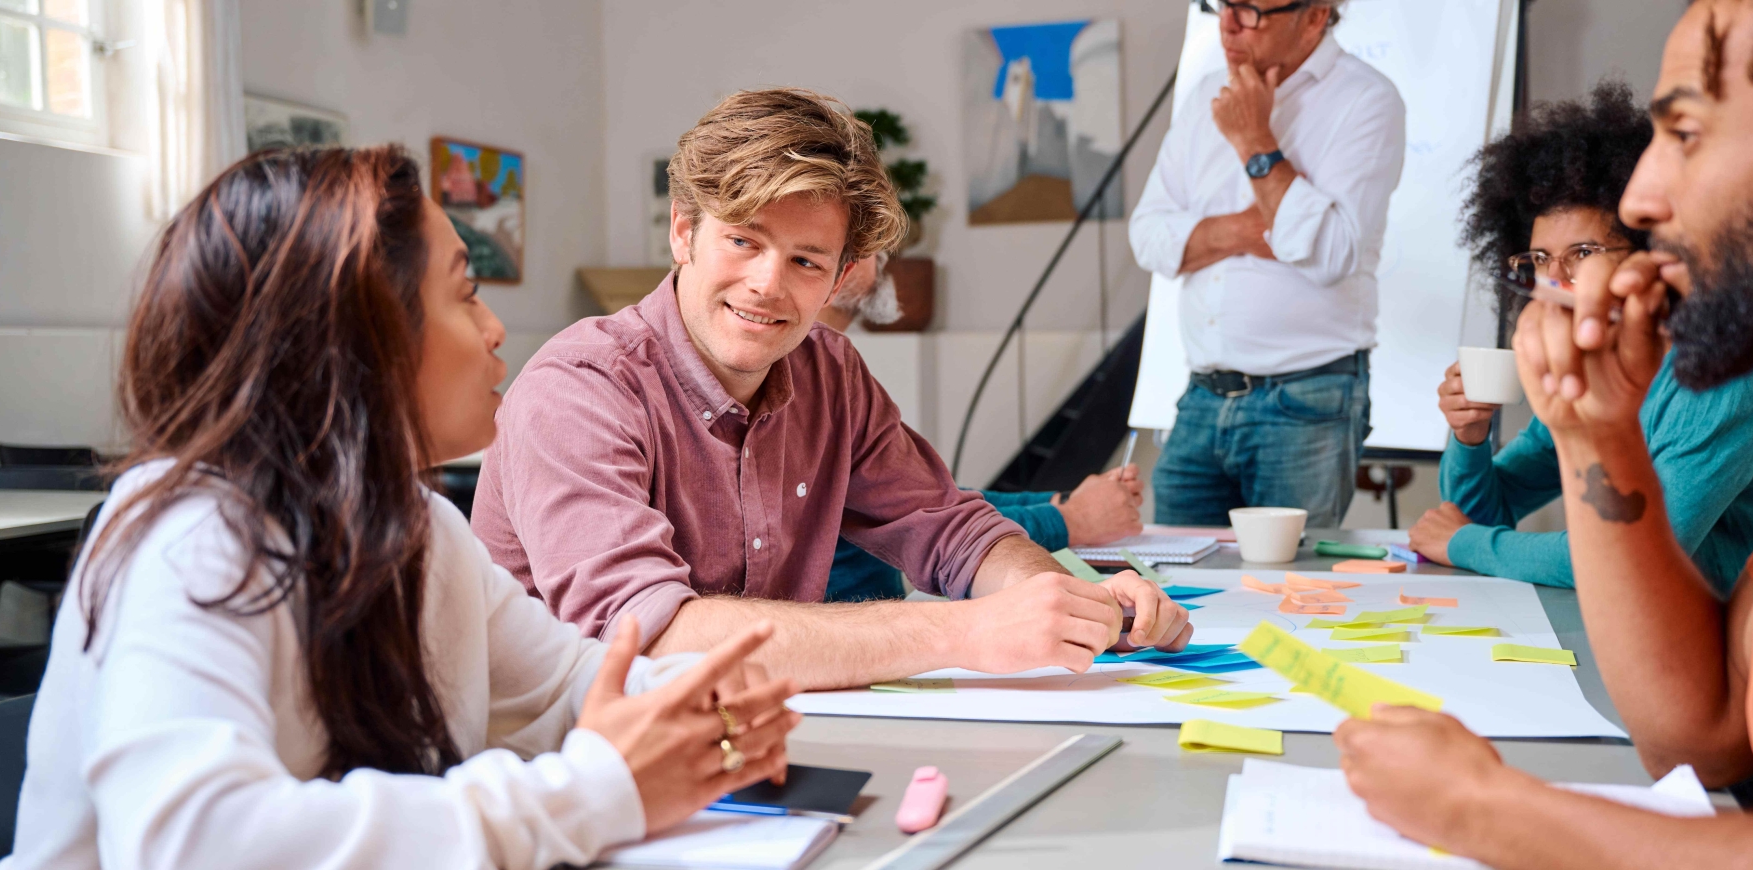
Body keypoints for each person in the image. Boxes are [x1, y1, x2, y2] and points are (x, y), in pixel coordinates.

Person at [0, 146, 801, 869]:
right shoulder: (195, 531)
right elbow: (195, 842)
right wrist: (590, 793)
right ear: (358, 332)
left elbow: (565, 685)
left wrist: (704, 704)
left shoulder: (419, 528)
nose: (494, 331)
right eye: (468, 292)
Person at [1338, 1, 1753, 862]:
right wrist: (1588, 435)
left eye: (1686, 129)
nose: (1644, 201)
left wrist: (1484, 809)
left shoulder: (1728, 388)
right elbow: (1702, 740)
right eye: (1539, 261)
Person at [471, 88, 1191, 692]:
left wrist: (1060, 600)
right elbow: (651, 637)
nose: (768, 284)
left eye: (806, 260)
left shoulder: (831, 372)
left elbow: (947, 526)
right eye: (744, 241)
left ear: (841, 276)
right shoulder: (580, 389)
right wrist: (964, 630)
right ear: (684, 232)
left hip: (749, 744)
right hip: (567, 776)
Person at [1407, 81, 1753, 592]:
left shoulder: (1722, 385)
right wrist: (1470, 436)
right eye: (1540, 259)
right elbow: (1484, 512)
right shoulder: (1595, 365)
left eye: (1583, 252)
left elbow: (1632, 559)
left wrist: (1465, 545)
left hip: (1739, 646)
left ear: (1649, 250)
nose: (1555, 281)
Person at [1129, 0, 1405, 528]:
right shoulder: (1205, 92)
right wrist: (1259, 227)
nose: (1228, 24)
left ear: (1316, 16)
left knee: (1292, 594)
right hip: (1202, 398)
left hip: (1306, 402)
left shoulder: (1366, 99)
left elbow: (1328, 251)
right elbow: (1147, 237)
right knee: (1178, 591)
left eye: (1251, 10)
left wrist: (1253, 138)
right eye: (1222, 5)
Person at [810, 255, 1146, 602]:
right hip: (847, 638)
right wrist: (1071, 519)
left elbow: (929, 500)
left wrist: (1061, 502)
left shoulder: (840, 371)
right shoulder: (807, 384)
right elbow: (929, 521)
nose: (883, 257)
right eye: (869, 248)